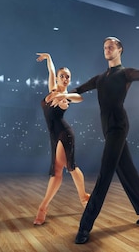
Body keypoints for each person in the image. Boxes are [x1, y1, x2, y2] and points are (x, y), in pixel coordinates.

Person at [56, 37, 139, 244]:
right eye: (104, 47)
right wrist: (63, 96)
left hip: (119, 127)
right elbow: (78, 90)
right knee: (126, 169)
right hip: (107, 129)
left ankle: (84, 227)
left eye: (111, 46)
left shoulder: (124, 73)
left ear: (120, 50)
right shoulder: (100, 78)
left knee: (105, 174)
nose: (107, 49)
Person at [33, 52, 90, 226]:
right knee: (63, 170)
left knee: (63, 170)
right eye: (62, 76)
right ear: (57, 78)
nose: (65, 78)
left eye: (68, 77)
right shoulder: (52, 90)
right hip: (54, 135)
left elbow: (79, 98)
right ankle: (84, 197)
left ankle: (43, 208)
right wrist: (49, 58)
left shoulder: (66, 95)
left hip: (64, 134)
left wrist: (64, 98)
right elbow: (50, 71)